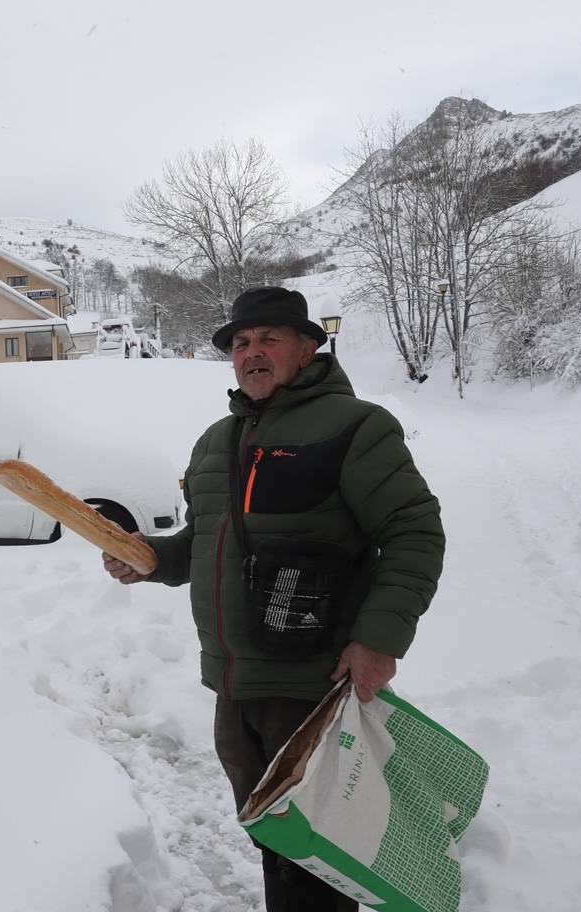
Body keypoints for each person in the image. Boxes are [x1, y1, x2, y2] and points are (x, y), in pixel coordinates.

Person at [102, 286, 444, 912]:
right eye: (240, 344)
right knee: (272, 837)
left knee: (319, 848)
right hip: (235, 683)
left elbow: (413, 531)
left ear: (308, 348)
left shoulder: (356, 426)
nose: (251, 353)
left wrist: (380, 640)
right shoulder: (216, 441)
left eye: (268, 340)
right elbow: (205, 543)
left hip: (314, 680)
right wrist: (146, 560)